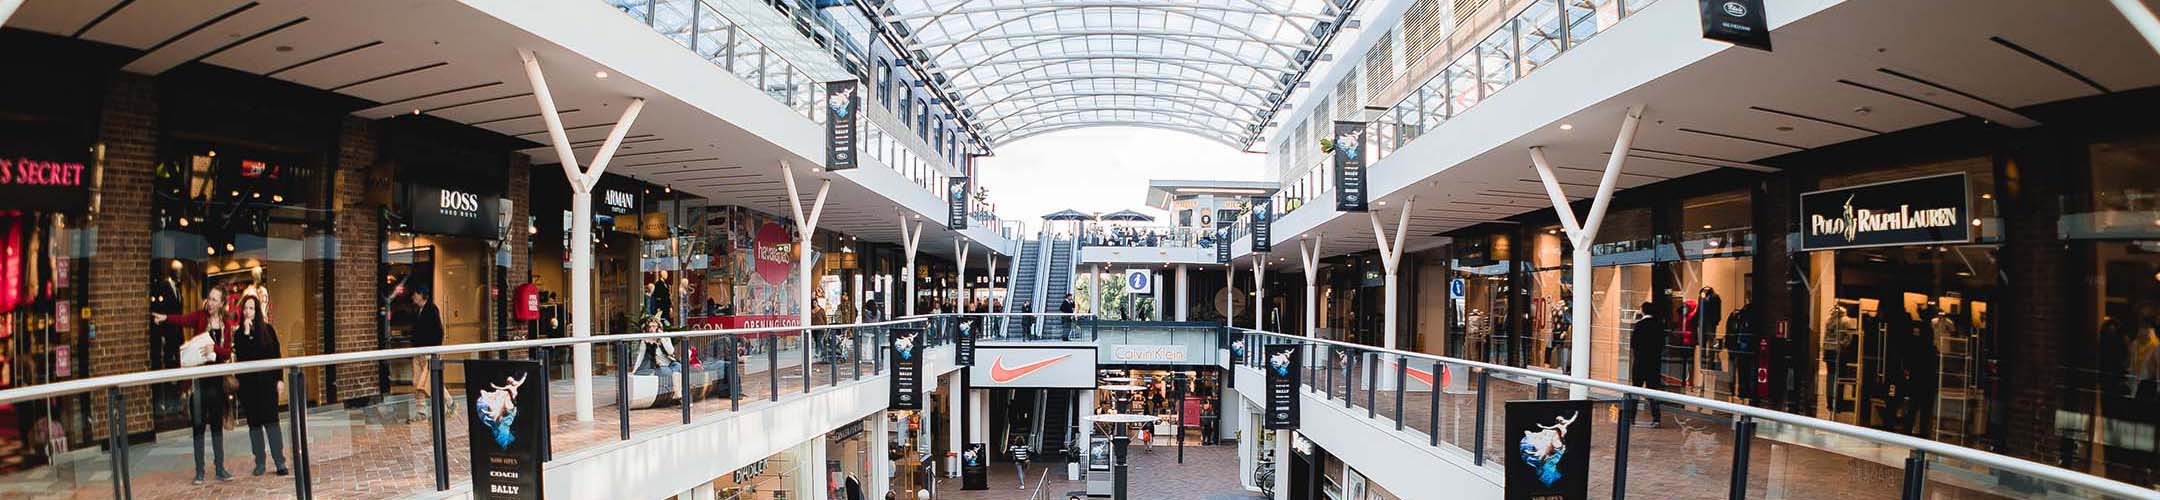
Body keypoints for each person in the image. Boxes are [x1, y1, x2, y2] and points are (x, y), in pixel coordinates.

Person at [152, 287, 236, 484]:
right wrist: (165, 317)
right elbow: (182, 320)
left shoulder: (226, 325)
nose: (211, 303)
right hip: (199, 382)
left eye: (215, 300)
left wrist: (213, 348)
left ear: (222, 303)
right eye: (210, 299)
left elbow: (225, 352)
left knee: (216, 425)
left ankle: (220, 468)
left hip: (216, 382)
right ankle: (199, 471)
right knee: (198, 426)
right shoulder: (200, 317)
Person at [230, 295, 290, 476]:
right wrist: (247, 333)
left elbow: (275, 355)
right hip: (249, 387)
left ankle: (279, 461)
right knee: (254, 426)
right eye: (245, 309)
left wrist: (279, 379)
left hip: (267, 385)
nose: (248, 312)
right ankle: (260, 463)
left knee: (272, 423)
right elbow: (243, 356)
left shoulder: (268, 331)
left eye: (251, 308)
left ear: (257, 310)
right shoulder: (240, 334)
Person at [1628, 300, 1666, 427]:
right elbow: (1662, 345)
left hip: (1640, 363)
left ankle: (1631, 417)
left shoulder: (1639, 325)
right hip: (1654, 363)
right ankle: (1656, 418)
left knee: (1635, 390)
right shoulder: (1659, 325)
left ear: (1643, 310)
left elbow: (1633, 344)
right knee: (1653, 392)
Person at [408, 287, 446, 415]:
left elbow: (438, 332)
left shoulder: (431, 309)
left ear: (423, 295)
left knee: (430, 381)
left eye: (416, 293)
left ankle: (449, 403)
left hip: (428, 352)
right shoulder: (418, 310)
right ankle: (421, 411)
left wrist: (434, 350)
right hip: (418, 351)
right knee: (417, 381)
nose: (413, 296)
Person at [634, 316, 683, 406]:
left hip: (669, 363)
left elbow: (671, 351)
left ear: (658, 327)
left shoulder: (665, 336)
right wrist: (634, 370)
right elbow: (640, 356)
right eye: (650, 326)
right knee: (670, 372)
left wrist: (662, 338)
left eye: (654, 326)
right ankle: (678, 396)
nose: (652, 329)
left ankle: (678, 395)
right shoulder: (645, 340)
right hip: (658, 366)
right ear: (647, 328)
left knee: (678, 367)